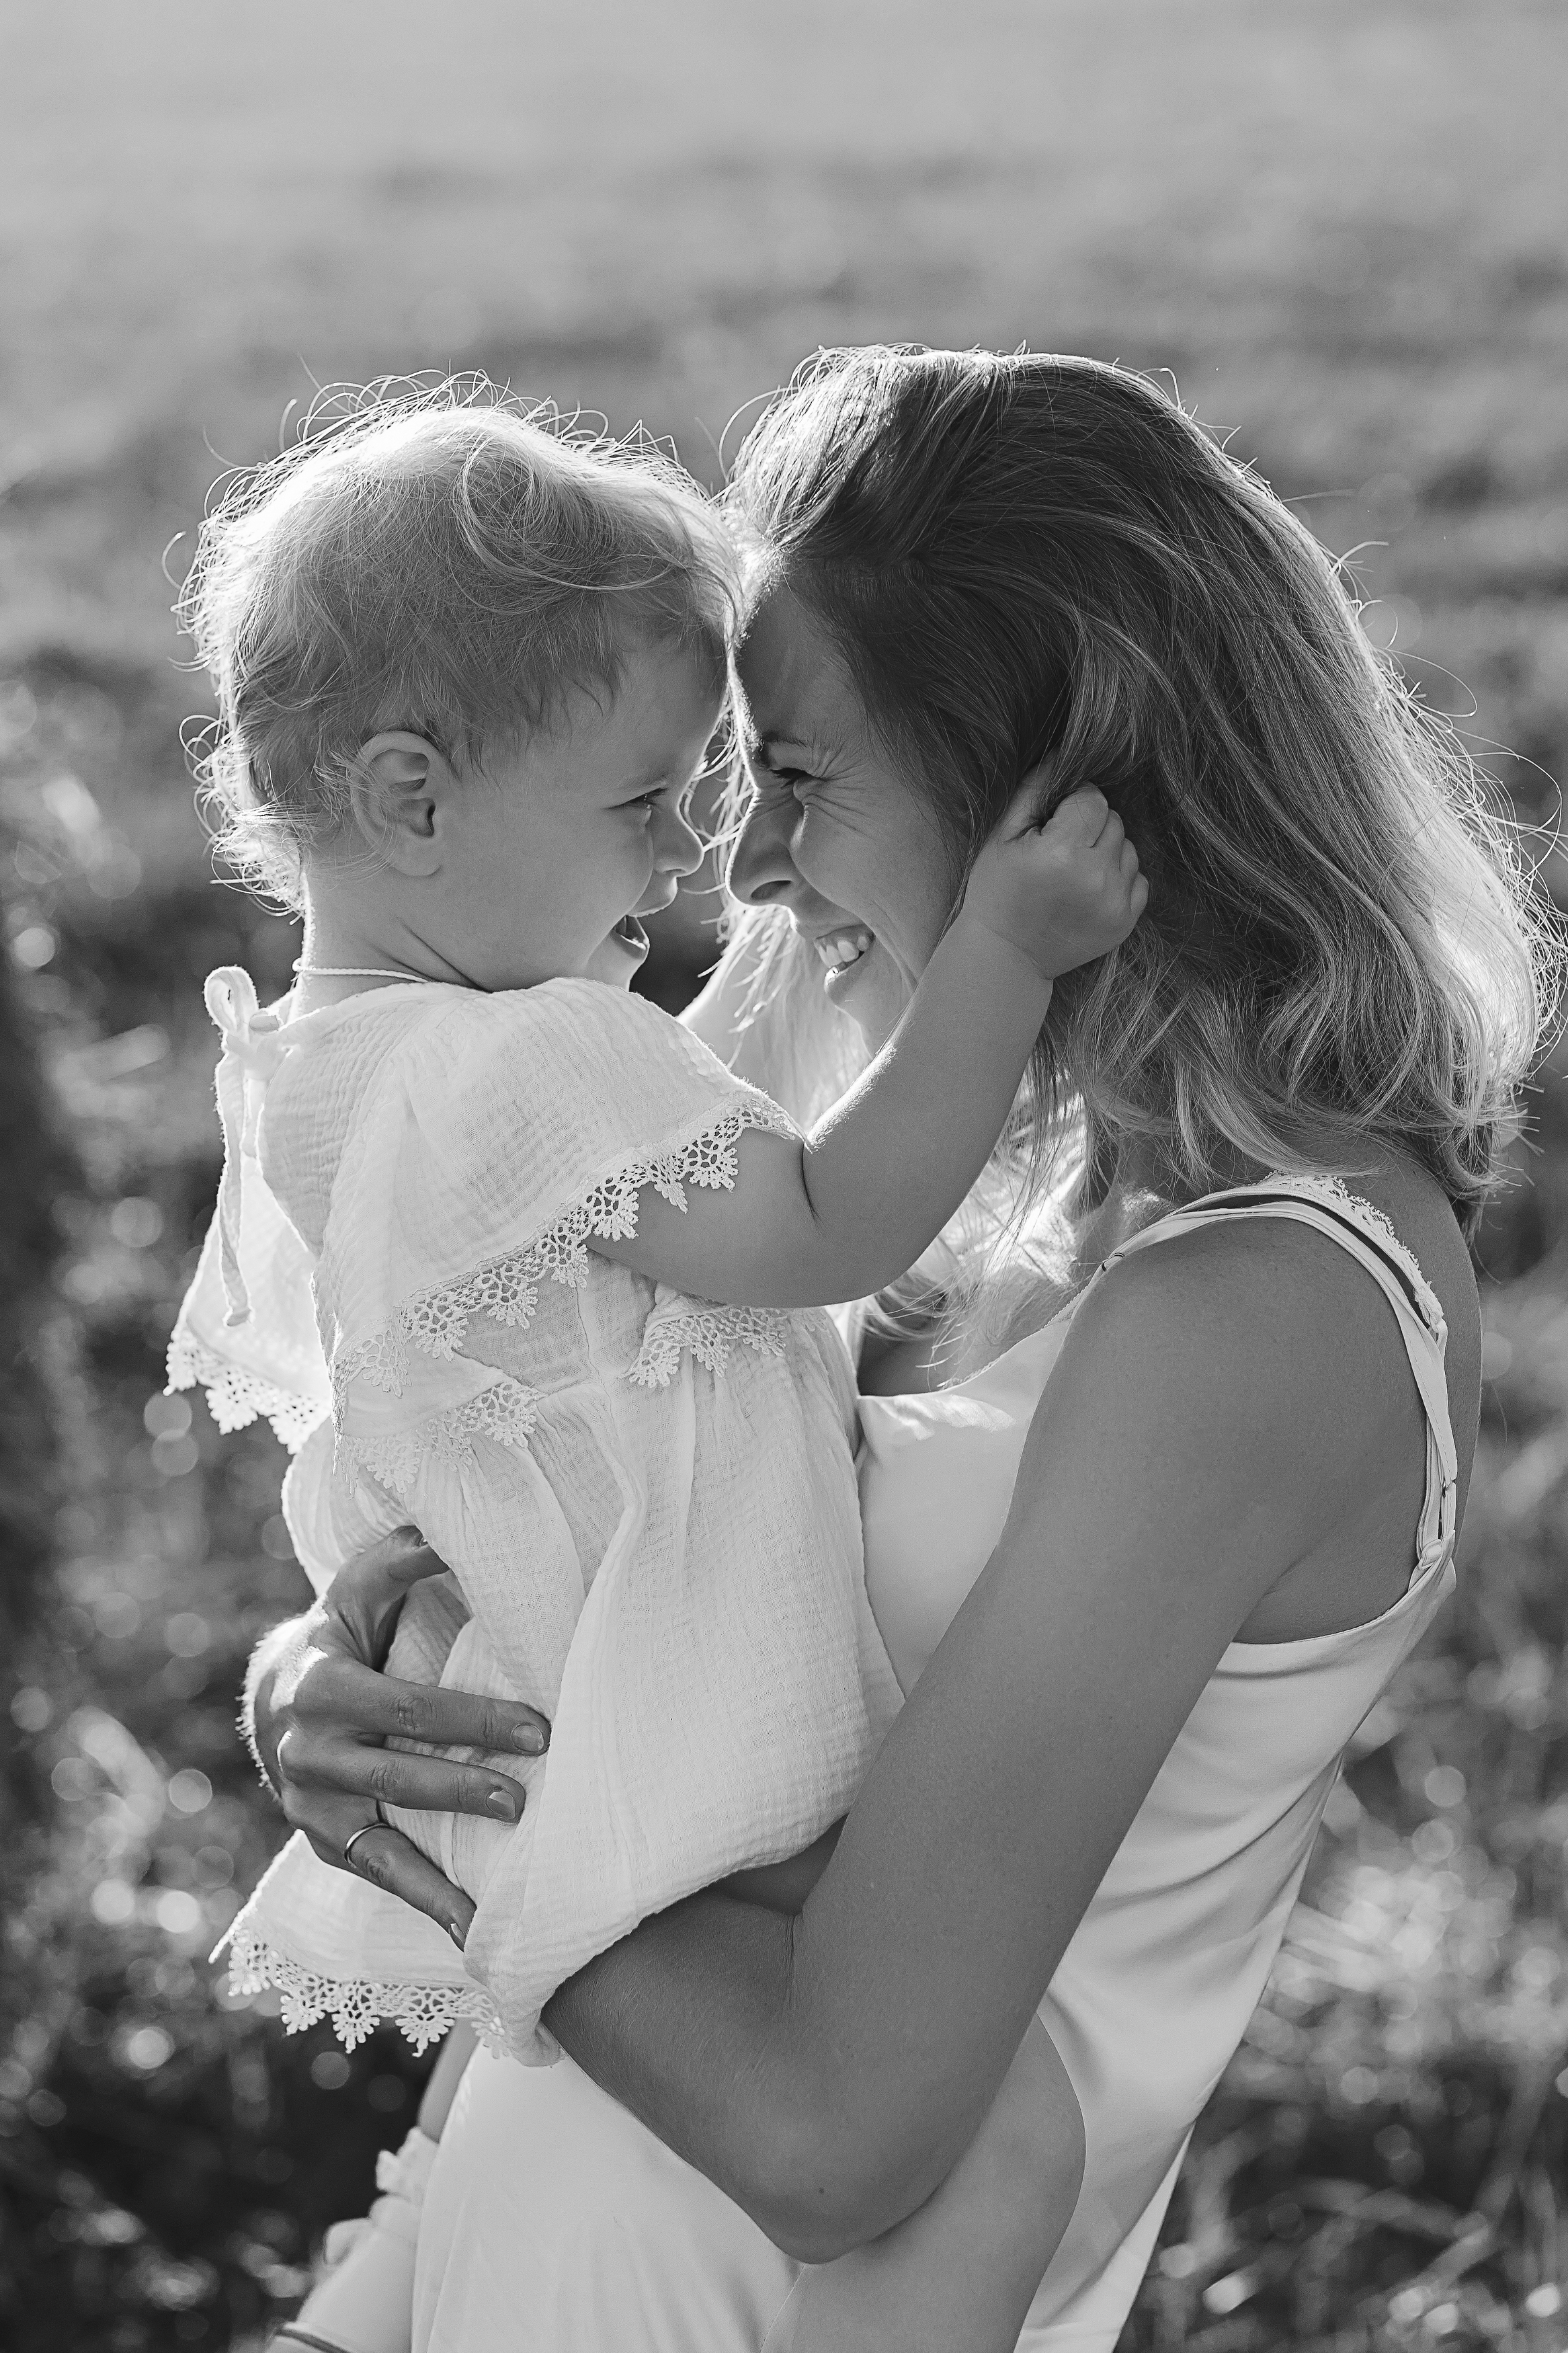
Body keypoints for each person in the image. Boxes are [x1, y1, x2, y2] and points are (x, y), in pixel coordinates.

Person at [247, 347, 1555, 2353]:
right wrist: (342, 1682)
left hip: (743, 2274)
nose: (744, 876)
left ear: (1059, 791)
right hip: (555, 2209)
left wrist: (434, 1812)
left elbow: (833, 2127)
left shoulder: (1258, 1314)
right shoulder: (996, 1172)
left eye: (790, 778)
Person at [165, 380, 1144, 2353]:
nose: (706, 850)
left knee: (545, 2133)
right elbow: (816, 1224)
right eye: (649, 801)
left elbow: (696, 1106)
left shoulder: (328, 1059)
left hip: (512, 1710)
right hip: (672, 1733)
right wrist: (1003, 958)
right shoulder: (531, 1061)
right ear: (416, 799)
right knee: (998, 2130)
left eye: (733, 785)